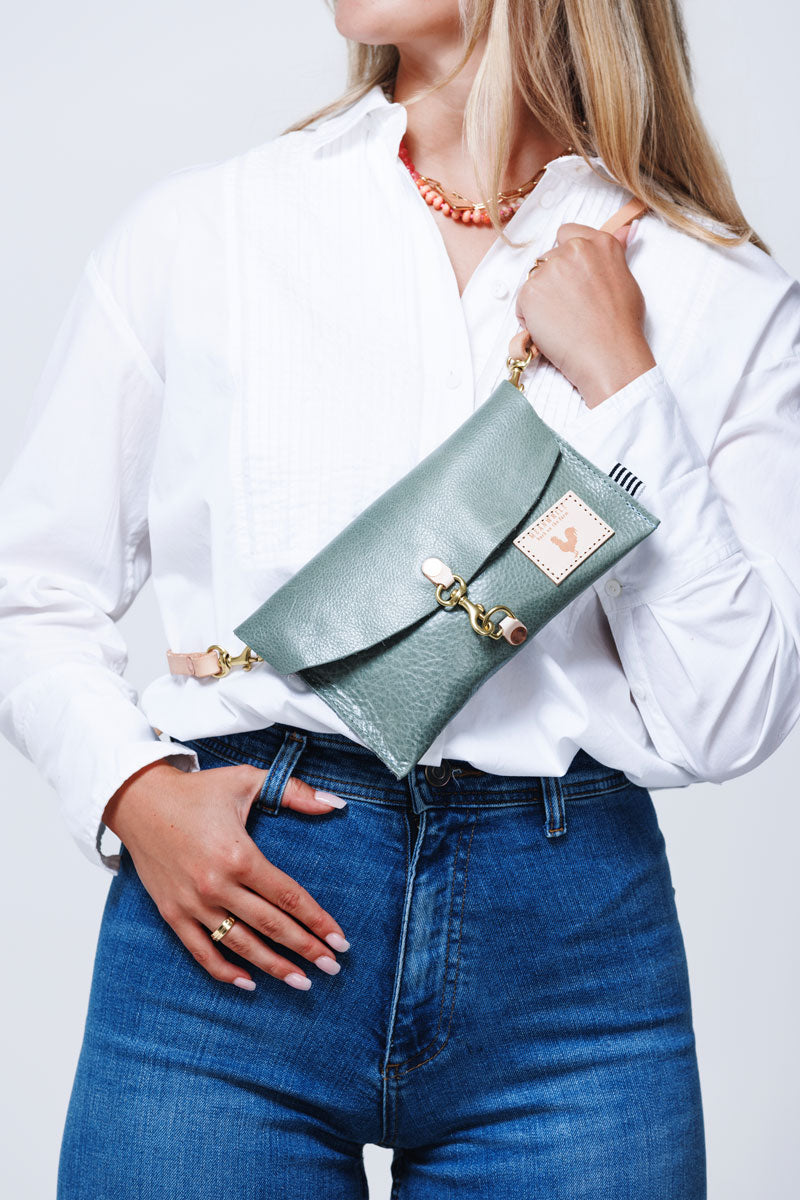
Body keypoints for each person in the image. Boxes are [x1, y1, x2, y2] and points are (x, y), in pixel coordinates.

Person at [1, 1, 798, 1196]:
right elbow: (31, 583)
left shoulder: (712, 293)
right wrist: (134, 793)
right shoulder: (211, 228)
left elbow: (727, 716)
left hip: (571, 970)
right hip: (235, 922)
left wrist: (626, 387)